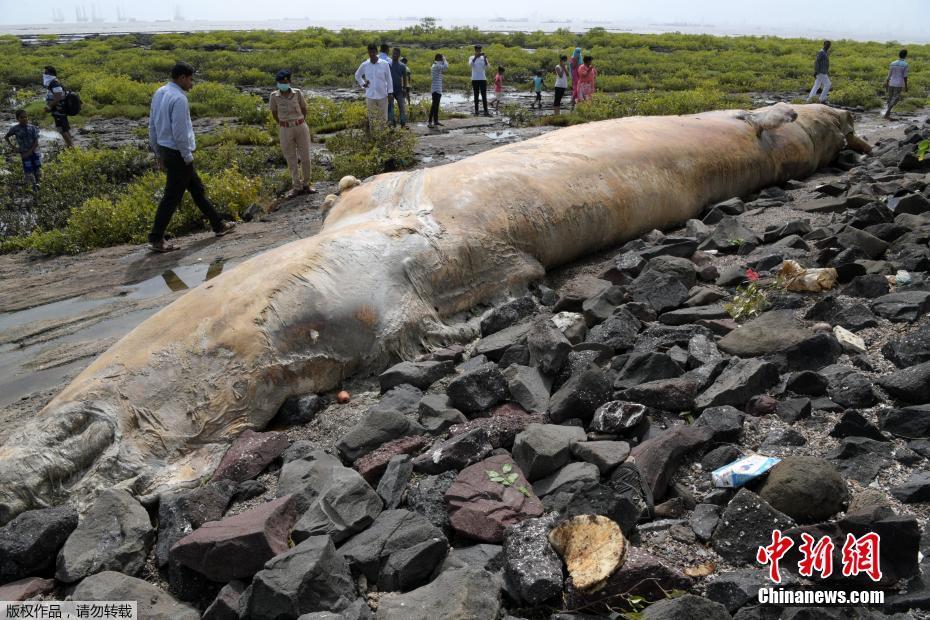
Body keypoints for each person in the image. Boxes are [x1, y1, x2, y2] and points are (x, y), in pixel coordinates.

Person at [148, 62, 236, 253]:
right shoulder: (179, 99)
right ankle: (156, 238)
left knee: (197, 189)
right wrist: (187, 156)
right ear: (181, 78)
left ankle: (218, 224)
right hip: (178, 153)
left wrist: (158, 152)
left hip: (166, 149)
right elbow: (179, 132)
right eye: (190, 79)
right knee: (172, 197)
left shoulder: (159, 93)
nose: (191, 83)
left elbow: (152, 125)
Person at [269, 69, 315, 197]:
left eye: (285, 82)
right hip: (285, 129)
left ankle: (306, 184)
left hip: (300, 126)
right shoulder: (274, 96)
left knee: (305, 157)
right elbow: (274, 113)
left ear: (289, 82)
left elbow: (304, 108)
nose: (282, 84)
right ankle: (296, 187)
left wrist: (300, 121)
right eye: (280, 82)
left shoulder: (297, 93)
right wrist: (283, 123)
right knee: (291, 158)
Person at [355, 44, 393, 130]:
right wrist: (363, 84)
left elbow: (389, 79)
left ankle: (383, 134)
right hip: (370, 95)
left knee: (383, 118)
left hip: (383, 95)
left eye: (373, 52)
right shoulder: (365, 64)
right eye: (370, 52)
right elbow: (357, 75)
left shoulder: (384, 64)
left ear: (376, 52)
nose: (372, 54)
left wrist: (390, 92)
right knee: (372, 118)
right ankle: (374, 134)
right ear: (368, 53)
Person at [4, 109, 41, 192]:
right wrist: (14, 147)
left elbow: (36, 142)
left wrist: (29, 152)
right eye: (22, 117)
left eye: (26, 117)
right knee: (28, 171)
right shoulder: (15, 129)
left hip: (35, 152)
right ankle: (31, 188)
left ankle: (39, 185)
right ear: (18, 119)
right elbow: (6, 137)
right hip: (24, 153)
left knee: (38, 169)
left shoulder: (33, 128)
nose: (24, 119)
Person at [42, 66, 74, 148]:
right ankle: (71, 145)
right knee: (65, 129)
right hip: (59, 110)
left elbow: (58, 97)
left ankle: (71, 147)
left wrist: (49, 106)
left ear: (51, 74)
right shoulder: (53, 83)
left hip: (59, 111)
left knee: (62, 130)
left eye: (46, 73)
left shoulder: (54, 83)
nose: (44, 75)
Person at [884, 49, 909, 120]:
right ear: (905, 55)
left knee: (890, 98)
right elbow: (905, 76)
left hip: (891, 83)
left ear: (899, 55)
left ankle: (888, 114)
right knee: (895, 98)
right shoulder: (905, 64)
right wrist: (906, 86)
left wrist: (887, 82)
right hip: (898, 84)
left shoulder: (892, 63)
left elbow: (889, 74)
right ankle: (887, 113)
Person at [387, 47, 408, 129]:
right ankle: (392, 124)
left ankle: (403, 123)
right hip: (390, 90)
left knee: (402, 107)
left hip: (399, 90)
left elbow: (405, 78)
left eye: (396, 54)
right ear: (392, 54)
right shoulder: (388, 64)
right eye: (393, 53)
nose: (394, 55)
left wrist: (404, 89)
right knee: (390, 107)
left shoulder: (402, 66)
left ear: (399, 55)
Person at [469, 44, 491, 116]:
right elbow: (470, 64)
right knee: (476, 96)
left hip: (483, 79)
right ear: (475, 50)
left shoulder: (483, 58)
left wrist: (485, 59)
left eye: (480, 50)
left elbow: (488, 67)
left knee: (484, 96)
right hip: (475, 79)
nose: (479, 51)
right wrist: (476, 57)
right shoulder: (471, 57)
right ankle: (476, 111)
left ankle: (486, 111)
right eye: (478, 50)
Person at [428, 53, 448, 129]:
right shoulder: (436, 66)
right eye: (441, 59)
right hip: (436, 89)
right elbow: (446, 67)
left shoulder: (436, 65)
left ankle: (435, 121)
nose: (442, 60)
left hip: (437, 89)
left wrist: (443, 59)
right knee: (434, 106)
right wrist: (445, 59)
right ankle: (430, 122)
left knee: (436, 106)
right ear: (439, 59)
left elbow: (444, 66)